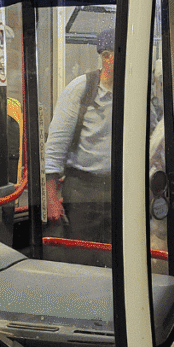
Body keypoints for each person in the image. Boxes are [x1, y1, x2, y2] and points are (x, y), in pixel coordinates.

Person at [44, 29, 115, 259]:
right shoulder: (81, 88)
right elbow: (55, 147)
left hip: (120, 189)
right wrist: (51, 199)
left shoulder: (133, 93)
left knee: (115, 257)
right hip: (83, 190)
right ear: (106, 57)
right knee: (83, 256)